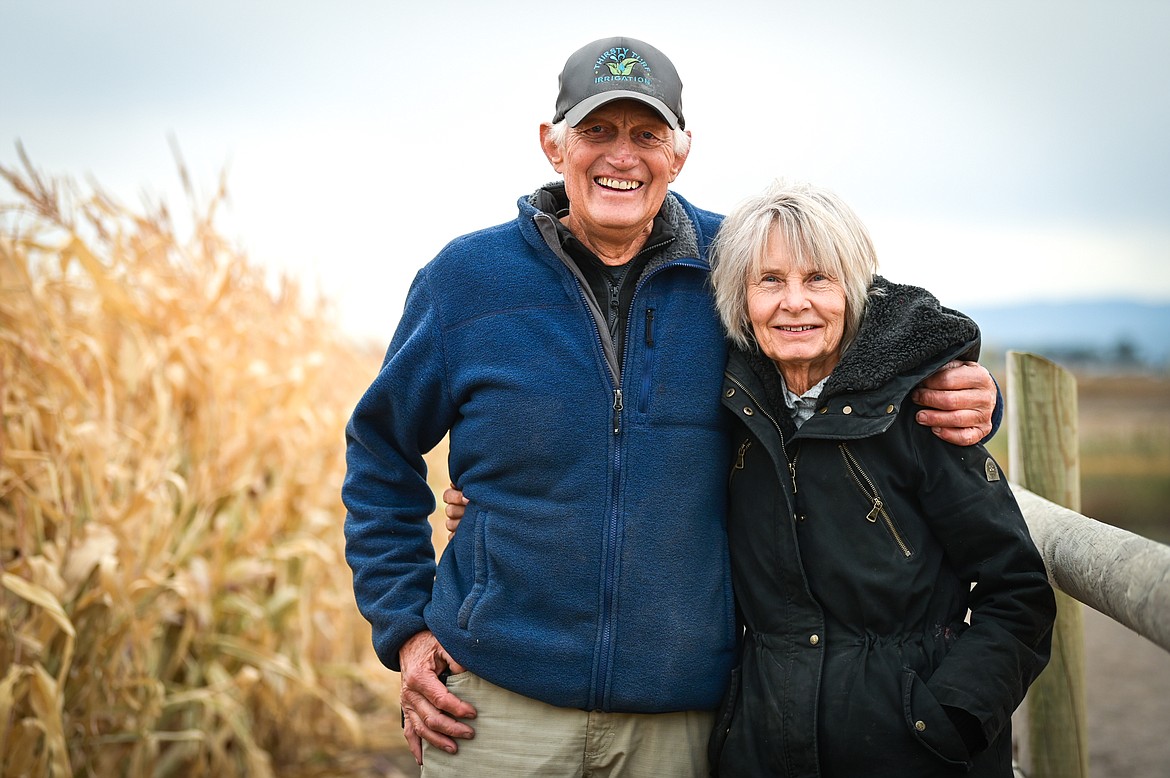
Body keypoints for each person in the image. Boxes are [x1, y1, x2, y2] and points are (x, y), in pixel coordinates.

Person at [343, 36, 1000, 776]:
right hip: (493, 710)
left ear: (680, 152)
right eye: (597, 131)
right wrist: (404, 625)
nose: (622, 156)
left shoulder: (742, 264)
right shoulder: (465, 280)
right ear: (552, 146)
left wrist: (962, 386)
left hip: (682, 718)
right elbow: (380, 451)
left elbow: (869, 336)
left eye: (646, 135)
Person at [704, 180, 1056, 776]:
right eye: (769, 280)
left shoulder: (922, 413)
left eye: (819, 278)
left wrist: (955, 716)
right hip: (765, 748)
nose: (795, 302)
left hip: (916, 751)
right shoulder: (735, 417)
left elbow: (1018, 592)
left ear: (856, 291)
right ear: (739, 300)